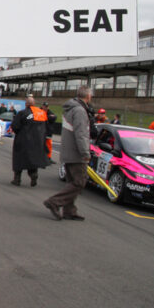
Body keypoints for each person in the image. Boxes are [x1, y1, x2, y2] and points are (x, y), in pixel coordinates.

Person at [44, 86, 93, 221]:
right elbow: (81, 134)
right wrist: (85, 152)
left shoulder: (70, 108)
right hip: (76, 154)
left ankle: (69, 210)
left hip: (68, 151)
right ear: (88, 97)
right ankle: (54, 202)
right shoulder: (80, 111)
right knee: (79, 182)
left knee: (72, 182)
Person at [10, 96, 49, 186]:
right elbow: (46, 127)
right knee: (33, 160)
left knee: (18, 159)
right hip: (37, 141)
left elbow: (15, 126)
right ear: (34, 103)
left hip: (23, 140)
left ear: (26, 104)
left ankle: (17, 179)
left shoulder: (22, 113)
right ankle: (33, 174)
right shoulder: (42, 113)